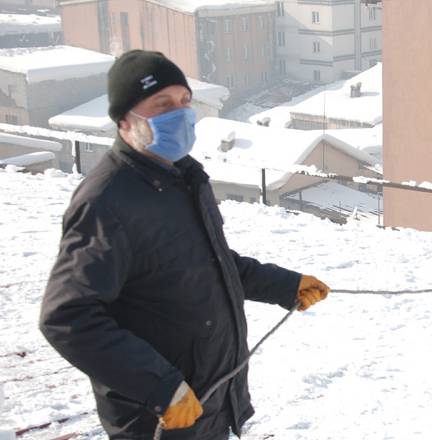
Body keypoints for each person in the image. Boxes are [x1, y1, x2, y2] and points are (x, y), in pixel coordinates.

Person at [39, 50, 330, 439]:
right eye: (162, 104)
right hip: (158, 418)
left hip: (208, 403)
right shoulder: (106, 202)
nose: (180, 113)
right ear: (125, 119)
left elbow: (209, 264)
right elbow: (68, 317)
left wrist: (284, 285)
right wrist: (159, 387)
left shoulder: (184, 178)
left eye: (184, 101)